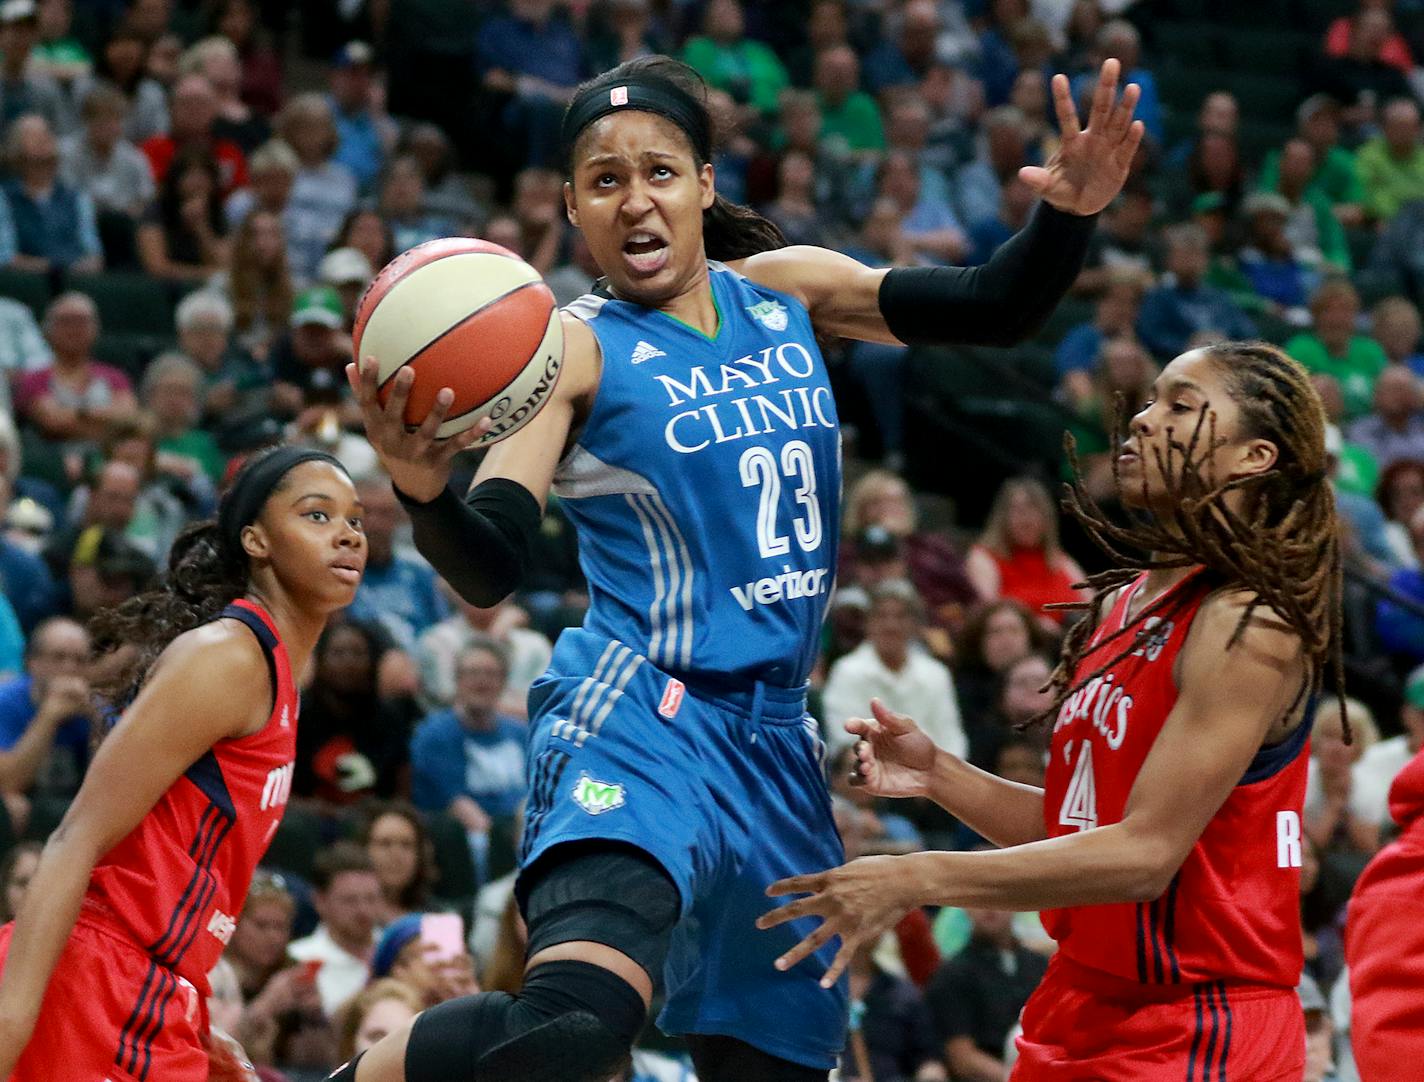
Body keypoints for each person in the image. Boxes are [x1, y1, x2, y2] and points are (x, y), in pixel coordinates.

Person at [337, 52, 1141, 1082]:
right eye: (604, 178)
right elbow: (490, 560)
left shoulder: (785, 292)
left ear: (706, 185)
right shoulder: (573, 350)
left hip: (771, 747)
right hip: (635, 719)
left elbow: (991, 303)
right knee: (572, 1031)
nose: (636, 198)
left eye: (660, 170)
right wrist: (417, 486)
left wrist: (1066, 213)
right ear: (574, 211)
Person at [761, 341, 1341, 1080]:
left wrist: (915, 877)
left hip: (1197, 1021)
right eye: (1150, 397)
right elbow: (1080, 834)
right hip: (1079, 1000)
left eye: (1181, 405)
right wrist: (942, 775)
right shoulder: (1121, 608)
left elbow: (1143, 857)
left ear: (1253, 457)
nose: (1142, 420)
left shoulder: (1248, 620)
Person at [0, 444, 367, 1081]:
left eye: (355, 520)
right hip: (93, 984)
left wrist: (192, 1015)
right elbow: (75, 838)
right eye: (317, 515)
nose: (346, 535)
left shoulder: (276, 673)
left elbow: (173, 866)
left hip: (150, 991)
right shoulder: (229, 655)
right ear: (256, 539)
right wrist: (10, 1023)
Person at [821, 579, 967, 759]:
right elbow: (845, 740)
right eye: (881, 616)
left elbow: (952, 741)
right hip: (868, 773)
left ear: (915, 624)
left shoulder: (936, 674)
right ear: (868, 623)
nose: (891, 625)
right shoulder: (846, 671)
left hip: (932, 775)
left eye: (900, 616)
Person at [925, 905, 1047, 1081]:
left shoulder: (1039, 966)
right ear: (965, 908)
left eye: (997, 901)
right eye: (979, 902)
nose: (989, 908)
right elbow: (962, 1058)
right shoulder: (951, 975)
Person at [966, 477, 1088, 628]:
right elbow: (989, 613)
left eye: (1034, 511)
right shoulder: (984, 557)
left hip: (1070, 638)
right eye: (1019, 511)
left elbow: (1092, 603)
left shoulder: (1060, 560)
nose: (1027, 519)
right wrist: (1035, 626)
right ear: (1002, 517)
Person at [288, 841, 384, 1017]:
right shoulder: (297, 960)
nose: (363, 910)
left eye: (371, 899)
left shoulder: (400, 954)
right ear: (320, 901)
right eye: (350, 900)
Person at [358, 800, 437, 925]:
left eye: (406, 845)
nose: (396, 855)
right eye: (385, 844)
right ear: (364, 849)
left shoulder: (437, 916)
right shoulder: (351, 918)